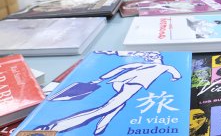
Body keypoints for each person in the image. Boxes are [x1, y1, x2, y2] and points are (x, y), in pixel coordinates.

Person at [35, 51, 182, 134]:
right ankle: (54, 127)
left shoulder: (146, 65)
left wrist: (101, 79)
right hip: (131, 84)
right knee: (106, 108)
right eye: (149, 56)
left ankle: (102, 125)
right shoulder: (161, 67)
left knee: (117, 105)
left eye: (152, 57)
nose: (150, 58)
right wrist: (176, 78)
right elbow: (174, 72)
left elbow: (122, 68)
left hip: (120, 83)